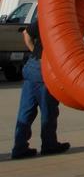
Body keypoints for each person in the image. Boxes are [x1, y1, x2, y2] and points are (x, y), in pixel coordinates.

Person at [10, 8, 70, 159]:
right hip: (46, 71)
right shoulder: (65, 23)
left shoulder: (45, 20)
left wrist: (34, 53)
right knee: (48, 111)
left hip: (32, 66)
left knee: (26, 111)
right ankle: (49, 145)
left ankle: (19, 147)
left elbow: (26, 34)